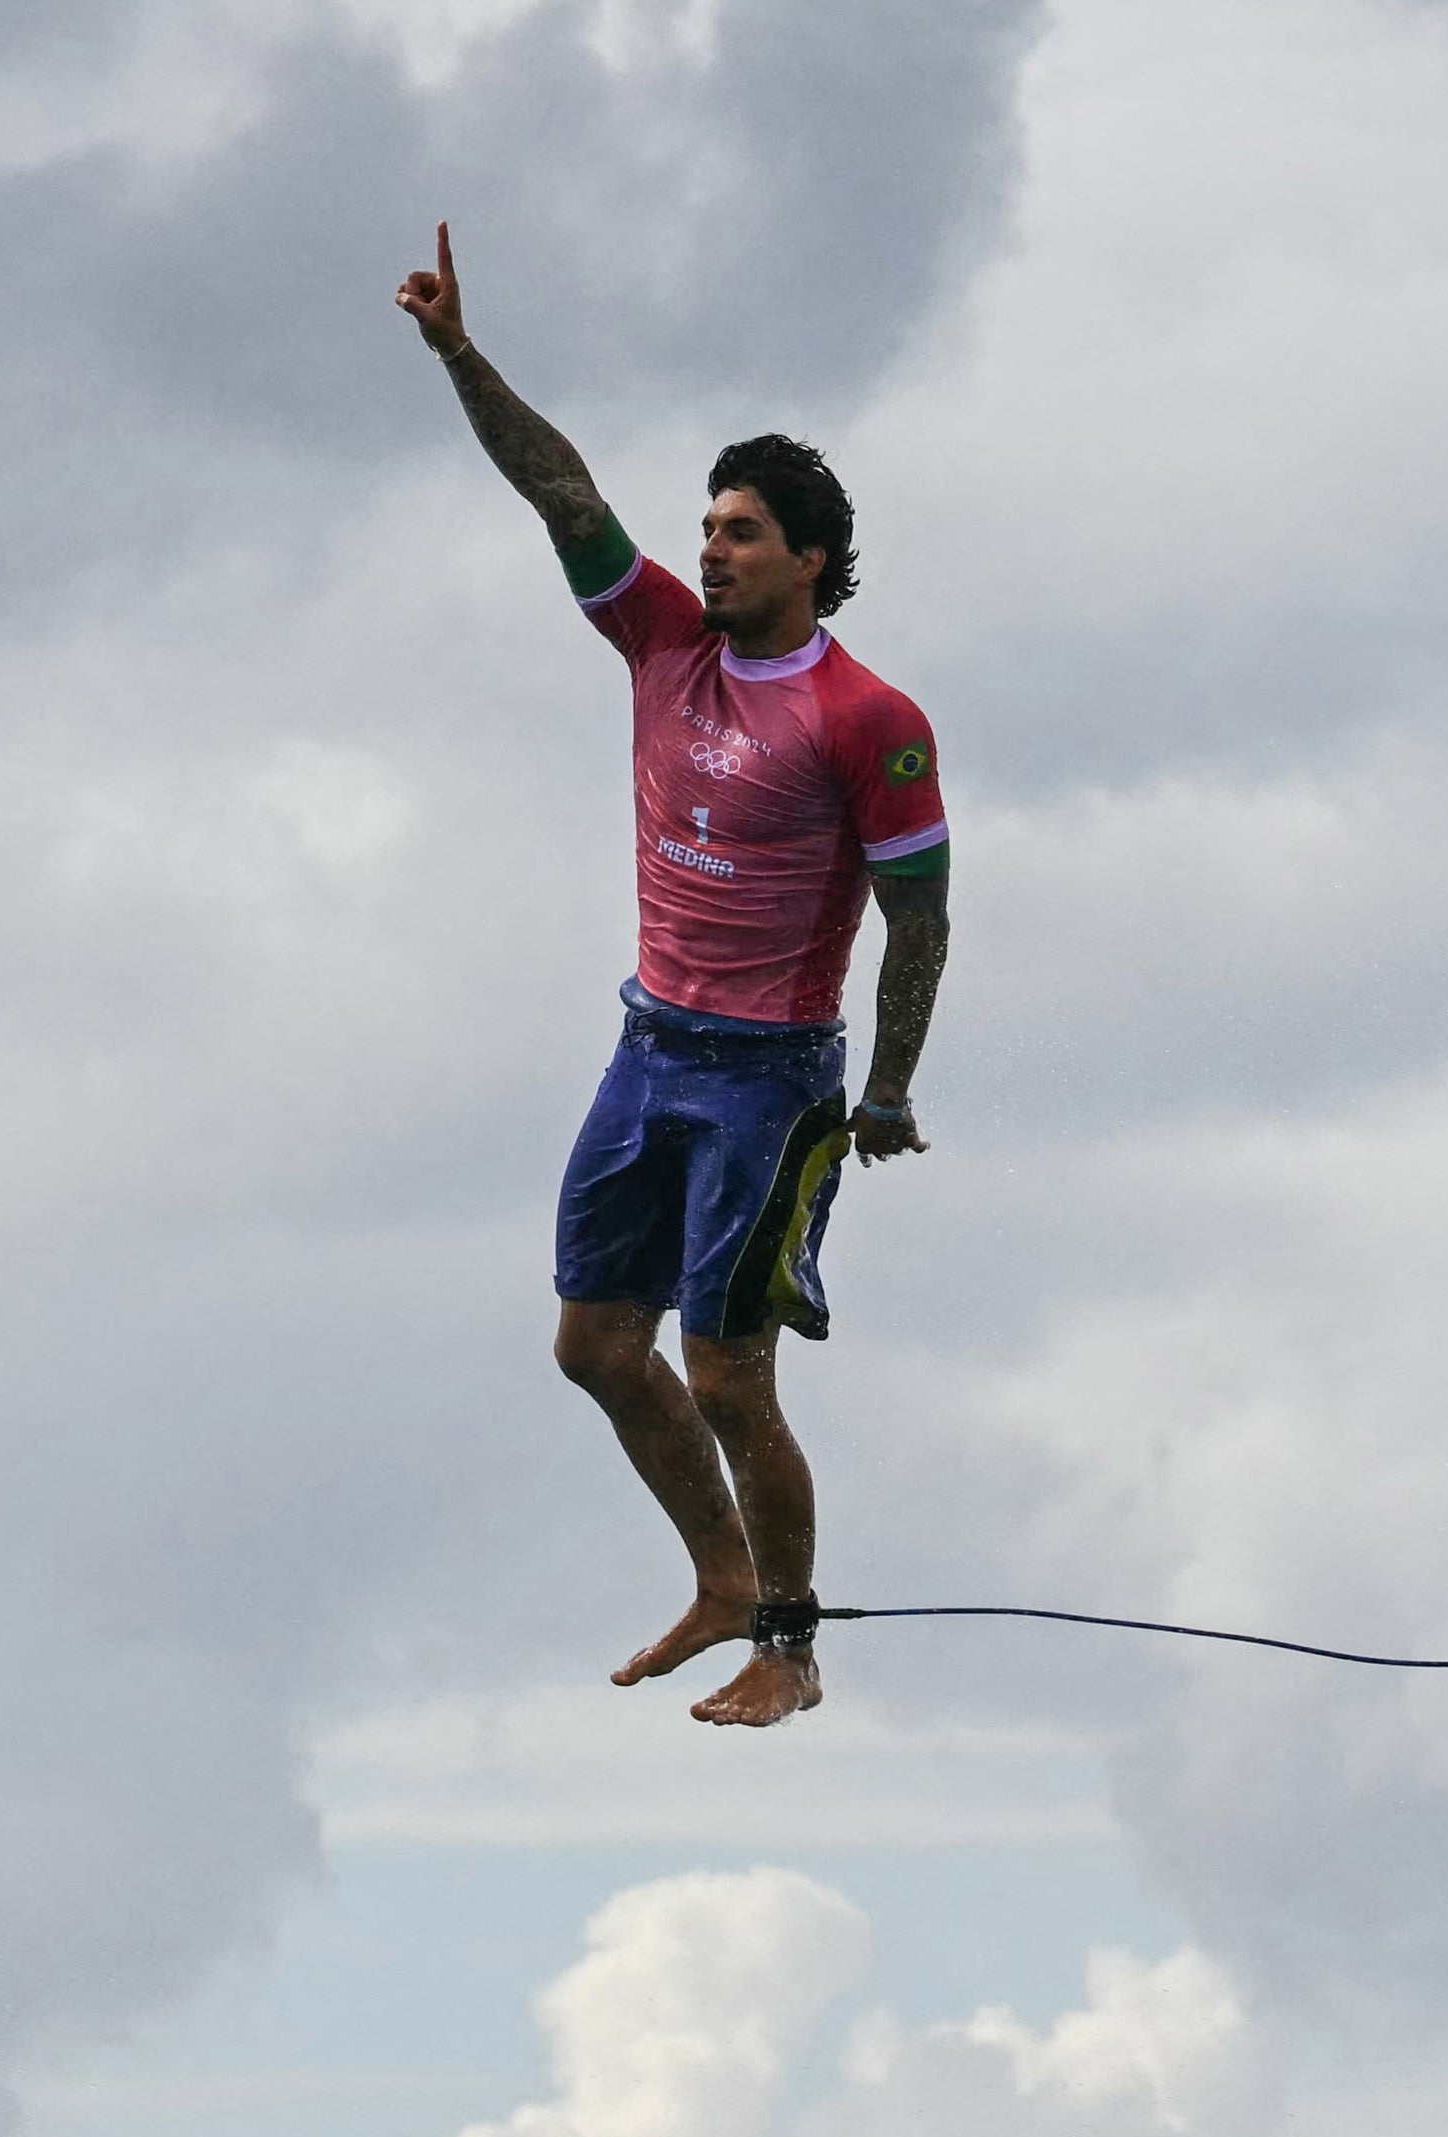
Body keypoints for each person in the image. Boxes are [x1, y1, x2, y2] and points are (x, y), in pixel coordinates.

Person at [396, 222, 953, 1729]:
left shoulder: (867, 718)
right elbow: (558, 487)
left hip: (770, 1083)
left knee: (726, 1374)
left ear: (812, 561)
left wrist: (889, 1086)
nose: (709, 548)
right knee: (593, 1345)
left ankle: (790, 1640)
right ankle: (717, 1574)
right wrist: (458, 353)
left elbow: (921, 916)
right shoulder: (660, 643)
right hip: (649, 1049)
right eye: (706, 527)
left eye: (741, 533)